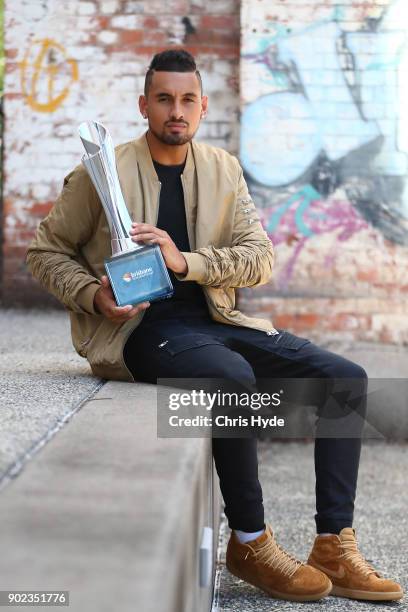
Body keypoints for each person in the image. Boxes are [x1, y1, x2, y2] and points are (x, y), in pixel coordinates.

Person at [26, 49, 403, 603]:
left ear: (201, 107)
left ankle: (334, 546)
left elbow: (259, 257)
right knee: (232, 377)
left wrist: (186, 262)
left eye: (186, 100)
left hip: (221, 318)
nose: (175, 111)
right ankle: (250, 541)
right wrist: (92, 294)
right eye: (163, 99)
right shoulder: (101, 171)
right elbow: (45, 250)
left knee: (344, 376)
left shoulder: (224, 170)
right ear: (144, 105)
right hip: (142, 332)